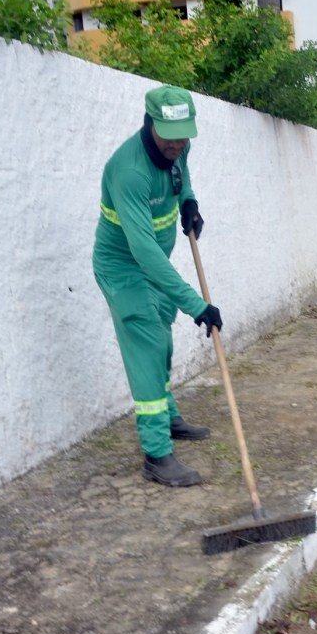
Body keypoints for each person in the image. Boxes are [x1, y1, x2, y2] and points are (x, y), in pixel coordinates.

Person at [93, 85, 223, 487]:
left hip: (157, 265)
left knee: (162, 338)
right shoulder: (128, 171)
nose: (179, 143)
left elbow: (182, 179)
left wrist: (190, 203)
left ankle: (168, 416)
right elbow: (143, 252)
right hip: (124, 268)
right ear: (149, 123)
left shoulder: (178, 146)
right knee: (147, 344)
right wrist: (197, 305)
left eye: (185, 133)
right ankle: (156, 454)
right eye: (170, 134)